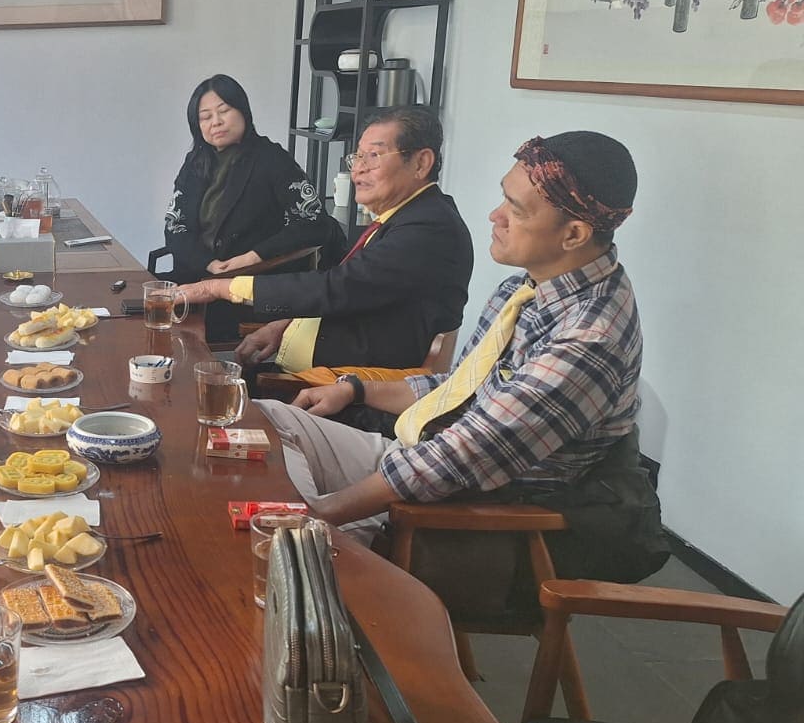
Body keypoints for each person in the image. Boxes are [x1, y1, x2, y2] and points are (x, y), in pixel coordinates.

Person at [261, 131, 666, 586]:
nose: (495, 216)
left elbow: (463, 456)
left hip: (470, 511)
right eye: (504, 198)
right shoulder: (526, 289)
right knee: (268, 418)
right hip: (423, 458)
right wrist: (355, 389)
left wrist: (319, 512)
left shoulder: (588, 339)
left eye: (516, 210)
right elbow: (463, 389)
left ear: (574, 234)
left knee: (287, 561)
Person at [177, 107, 474, 374]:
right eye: (358, 156)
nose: (358, 169)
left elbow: (337, 287)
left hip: (339, 389)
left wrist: (220, 288)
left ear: (421, 163)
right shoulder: (407, 217)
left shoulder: (429, 228)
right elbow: (359, 292)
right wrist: (285, 325)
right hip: (308, 365)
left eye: (374, 156)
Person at [161, 75, 345, 343]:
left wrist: (252, 257)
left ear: (243, 111)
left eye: (224, 111)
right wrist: (208, 263)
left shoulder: (271, 158)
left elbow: (313, 222)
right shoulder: (196, 162)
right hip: (196, 276)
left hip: (248, 285)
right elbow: (175, 225)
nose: (216, 122)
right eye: (205, 117)